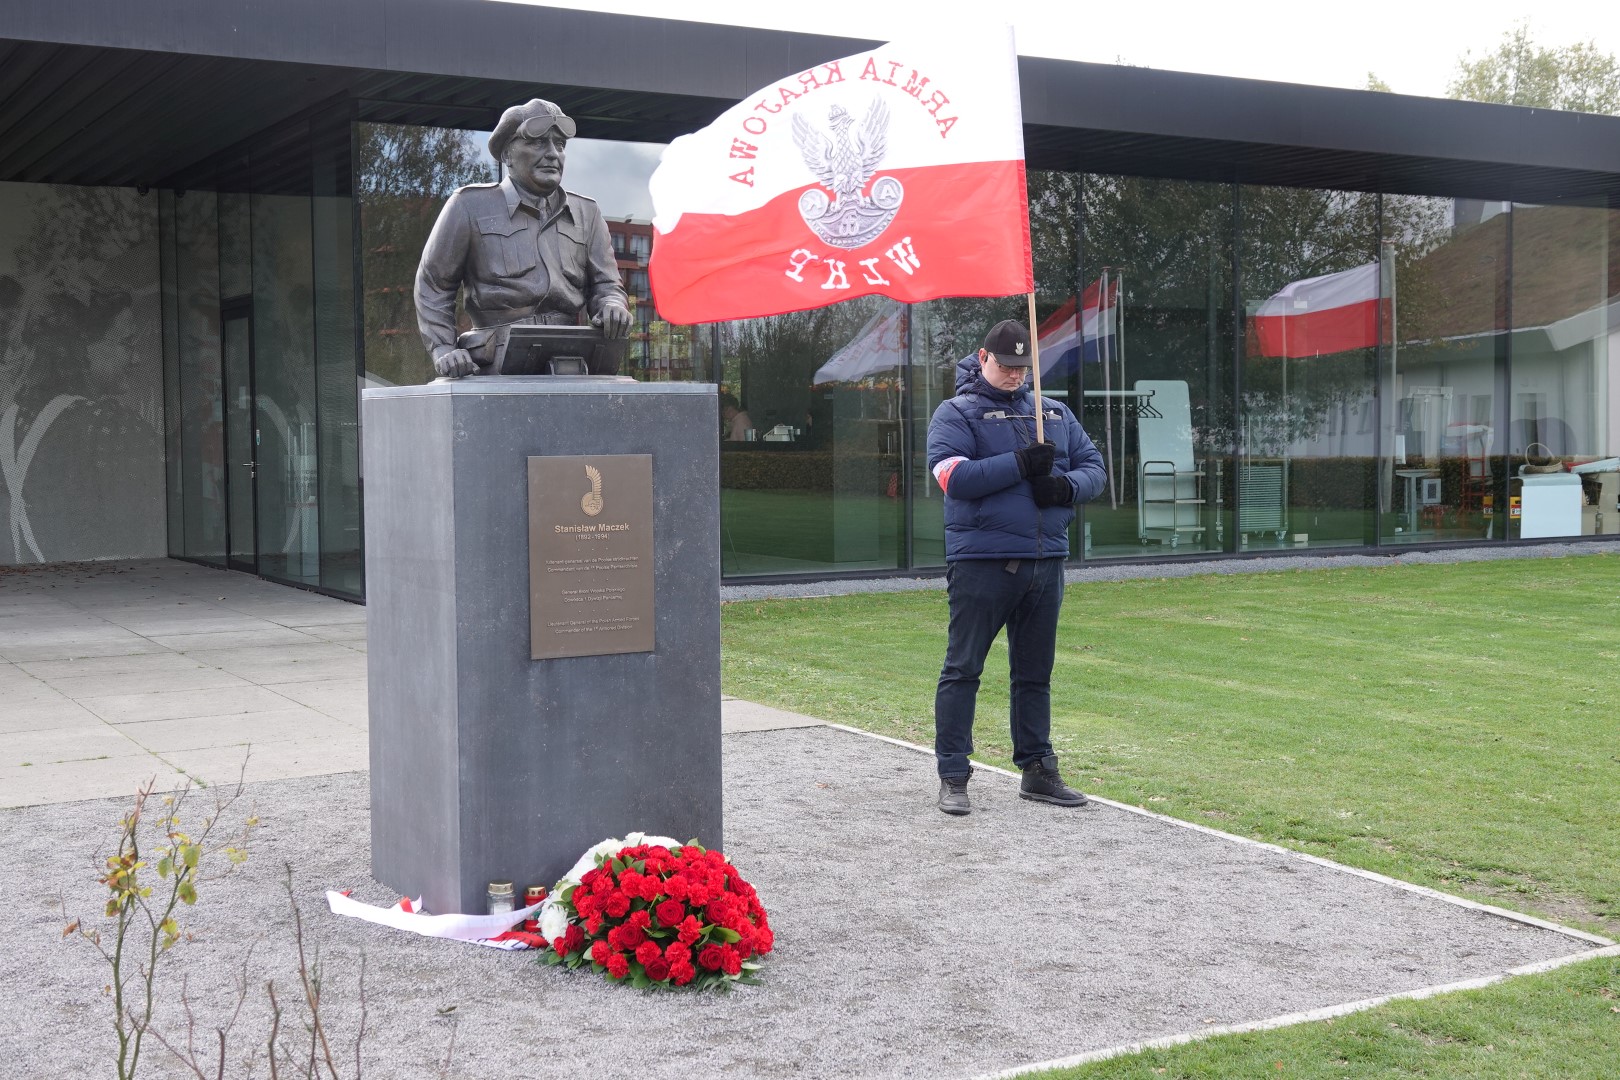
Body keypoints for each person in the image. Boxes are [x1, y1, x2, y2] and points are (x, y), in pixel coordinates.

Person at [925, 319, 1107, 816]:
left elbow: (1096, 469)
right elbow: (953, 477)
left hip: (1046, 562)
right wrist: (1022, 465)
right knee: (963, 669)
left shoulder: (1054, 410)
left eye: (1023, 368)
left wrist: (1066, 488)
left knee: (1035, 674)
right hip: (983, 563)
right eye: (1006, 366)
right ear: (982, 358)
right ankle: (953, 775)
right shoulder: (954, 413)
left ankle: (1038, 771)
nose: (1014, 375)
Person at [415, 99, 631, 379]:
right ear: (507, 154)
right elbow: (433, 284)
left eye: (560, 145)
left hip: (571, 357)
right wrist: (443, 348)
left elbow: (607, 284)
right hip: (494, 363)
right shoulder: (469, 205)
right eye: (539, 143)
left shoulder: (587, 213)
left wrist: (612, 305)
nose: (553, 154)